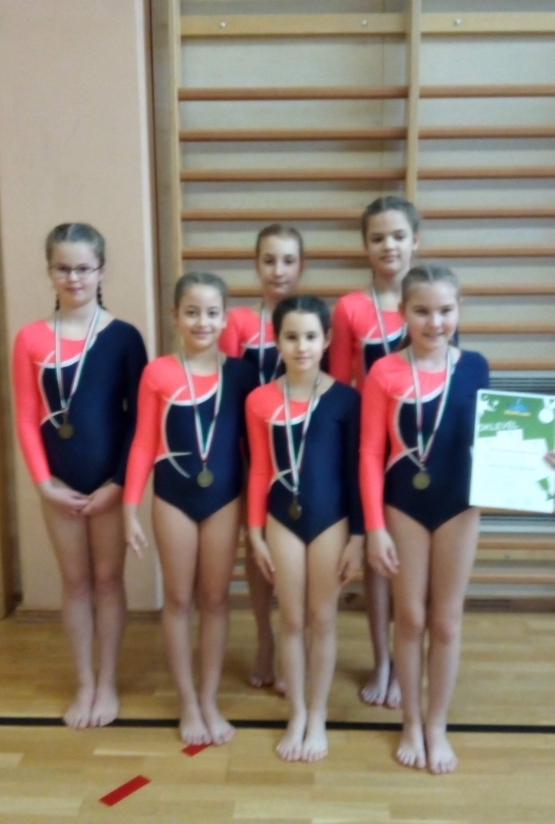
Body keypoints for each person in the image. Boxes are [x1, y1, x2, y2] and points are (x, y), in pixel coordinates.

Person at [360, 263, 555, 773]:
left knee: (446, 621)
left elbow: (490, 436)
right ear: (402, 313)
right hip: (403, 506)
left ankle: (436, 725)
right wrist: (375, 527)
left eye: (445, 310)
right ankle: (410, 721)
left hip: (459, 504)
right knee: (410, 618)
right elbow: (369, 453)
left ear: (460, 310)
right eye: (422, 311)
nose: (435, 322)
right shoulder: (384, 372)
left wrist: (534, 457)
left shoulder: (474, 366)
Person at [11, 222, 147, 729]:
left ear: (101, 270)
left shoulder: (124, 338)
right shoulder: (30, 338)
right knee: (76, 584)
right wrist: (43, 482)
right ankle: (84, 683)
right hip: (59, 484)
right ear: (50, 272)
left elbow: (139, 421)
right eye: (63, 269)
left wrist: (119, 485)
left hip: (109, 483)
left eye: (84, 268)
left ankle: (107, 682)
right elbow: (26, 416)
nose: (74, 278)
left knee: (108, 581)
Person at [123, 272, 258, 746]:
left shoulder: (241, 374)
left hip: (225, 499)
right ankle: (187, 701)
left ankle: (209, 698)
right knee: (179, 600)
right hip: (172, 498)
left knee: (216, 600)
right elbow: (143, 442)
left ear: (225, 318)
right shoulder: (158, 372)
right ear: (175, 316)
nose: (202, 321)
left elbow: (253, 450)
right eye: (192, 312)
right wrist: (129, 507)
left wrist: (257, 516)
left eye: (212, 312)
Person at [245, 295, 363, 762]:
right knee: (291, 620)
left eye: (310, 336)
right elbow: (259, 470)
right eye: (291, 337)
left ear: (327, 339)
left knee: (323, 620)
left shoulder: (346, 400)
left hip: (331, 520)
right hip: (282, 520)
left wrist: (359, 536)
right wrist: (255, 532)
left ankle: (318, 714)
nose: (301, 346)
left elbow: (354, 473)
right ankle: (296, 713)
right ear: (276, 341)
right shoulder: (260, 400)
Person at [328, 195, 420, 709]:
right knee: (376, 559)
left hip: (420, 447)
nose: (389, 246)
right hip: (369, 447)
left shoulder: (429, 298)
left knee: (412, 559)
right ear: (365, 245)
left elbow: (454, 374)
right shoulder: (350, 308)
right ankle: (382, 659)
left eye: (398, 236)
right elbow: (339, 385)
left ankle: (407, 659)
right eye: (378, 237)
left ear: (415, 241)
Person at [219, 224, 306, 693]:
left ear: (301, 266)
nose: (278, 270)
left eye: (288, 260)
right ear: (255, 265)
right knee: (258, 552)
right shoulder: (238, 322)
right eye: (269, 260)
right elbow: (223, 390)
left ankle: (296, 641)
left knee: (300, 552)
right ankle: (265, 638)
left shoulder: (311, 320)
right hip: (249, 455)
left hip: (300, 459)